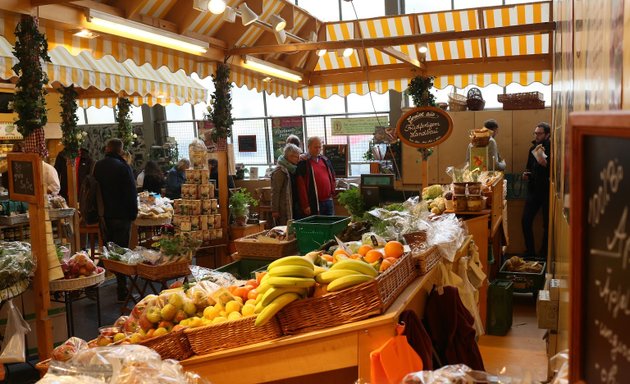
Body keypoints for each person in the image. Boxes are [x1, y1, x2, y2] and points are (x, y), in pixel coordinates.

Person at [93, 138, 138, 301]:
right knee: (121, 252)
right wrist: (133, 214)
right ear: (120, 150)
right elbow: (131, 193)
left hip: (104, 216)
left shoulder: (98, 166)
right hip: (121, 215)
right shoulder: (124, 167)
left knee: (108, 251)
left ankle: (93, 283)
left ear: (107, 148)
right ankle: (122, 289)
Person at [521, 122, 551, 259]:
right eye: (535, 133)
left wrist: (546, 164)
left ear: (547, 134)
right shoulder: (533, 148)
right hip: (533, 189)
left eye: (539, 133)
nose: (537, 135)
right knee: (525, 220)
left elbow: (556, 170)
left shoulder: (552, 148)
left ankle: (544, 253)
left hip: (547, 190)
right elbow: (528, 167)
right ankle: (530, 251)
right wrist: (526, 174)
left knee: (547, 224)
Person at [296, 137, 336, 216]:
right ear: (309, 147)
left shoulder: (325, 160)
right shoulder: (303, 163)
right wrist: (305, 205)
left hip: (328, 201)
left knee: (330, 225)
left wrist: (332, 191)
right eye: (315, 147)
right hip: (314, 203)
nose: (318, 149)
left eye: (319, 147)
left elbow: (332, 176)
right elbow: (301, 186)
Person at [271, 144, 301, 225]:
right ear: (289, 156)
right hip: (283, 207)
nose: (298, 159)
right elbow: (275, 191)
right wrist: (275, 210)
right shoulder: (280, 171)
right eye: (296, 157)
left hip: (293, 204)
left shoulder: (292, 169)